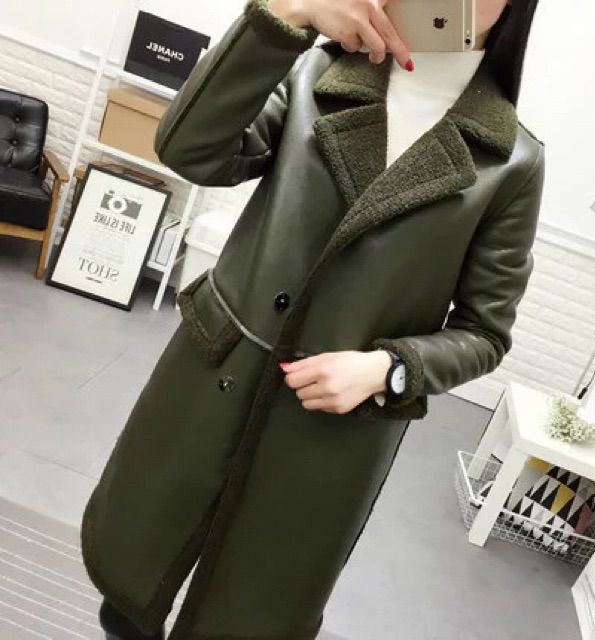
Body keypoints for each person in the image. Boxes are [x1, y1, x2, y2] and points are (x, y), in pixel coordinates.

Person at [84, 0, 543, 638]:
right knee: (133, 584)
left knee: (248, 609)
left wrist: (389, 369)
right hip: (214, 376)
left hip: (328, 432)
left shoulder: (511, 160)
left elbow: (485, 333)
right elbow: (191, 151)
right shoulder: (316, 74)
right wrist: (283, 15)